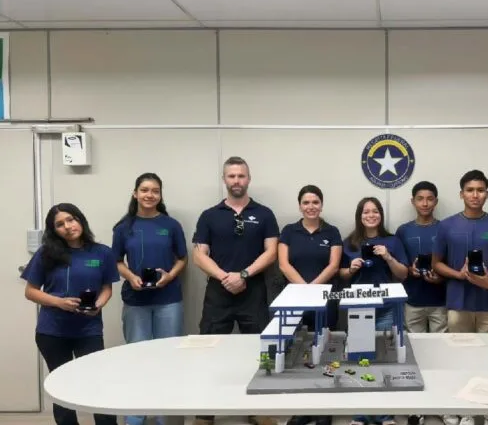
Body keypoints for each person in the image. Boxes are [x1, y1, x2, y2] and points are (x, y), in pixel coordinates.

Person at [191, 156, 280, 425]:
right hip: (218, 293)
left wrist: (243, 275)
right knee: (208, 351)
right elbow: (199, 255)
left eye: (241, 175)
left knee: (260, 351)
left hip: (253, 291)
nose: (236, 180)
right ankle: (205, 413)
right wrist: (224, 277)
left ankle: (259, 410)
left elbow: (271, 252)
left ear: (248, 179)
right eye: (232, 176)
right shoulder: (209, 216)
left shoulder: (264, 214)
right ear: (224, 179)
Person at [20, 203, 119, 425]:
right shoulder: (46, 253)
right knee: (61, 387)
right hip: (52, 331)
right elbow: (30, 291)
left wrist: (99, 304)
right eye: (59, 224)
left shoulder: (102, 252)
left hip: (89, 330)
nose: (67, 226)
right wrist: (59, 302)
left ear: (80, 220)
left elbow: (107, 288)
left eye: (71, 219)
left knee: (98, 383)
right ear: (54, 230)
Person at [433, 170, 488, 425]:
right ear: (461, 194)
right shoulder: (446, 226)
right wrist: (459, 274)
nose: (475, 195)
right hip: (458, 303)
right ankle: (465, 412)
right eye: (470, 190)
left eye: (480, 190)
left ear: (487, 194)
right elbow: (436, 263)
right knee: (460, 360)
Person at [111, 173, 188, 425]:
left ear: (160, 195)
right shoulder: (123, 228)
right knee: (138, 358)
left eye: (155, 190)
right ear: (135, 193)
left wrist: (170, 276)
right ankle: (136, 414)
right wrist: (131, 277)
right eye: (144, 190)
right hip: (136, 301)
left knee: (169, 357)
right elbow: (116, 261)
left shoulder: (171, 225)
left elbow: (183, 259)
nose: (149, 195)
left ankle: (167, 414)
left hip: (168, 299)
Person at [340, 196, 408, 425]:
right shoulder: (350, 242)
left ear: (381, 214)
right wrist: (351, 268)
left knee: (383, 359)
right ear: (360, 216)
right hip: (358, 307)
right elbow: (341, 275)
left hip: (386, 307)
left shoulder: (393, 241)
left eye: (375, 211)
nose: (371, 215)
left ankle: (384, 414)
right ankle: (360, 414)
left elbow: (403, 274)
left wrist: (387, 256)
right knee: (359, 359)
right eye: (366, 212)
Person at [278, 185, 342, 425]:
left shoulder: (332, 232)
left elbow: (333, 266)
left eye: (315, 202)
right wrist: (305, 290)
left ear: (321, 205)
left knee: (325, 352)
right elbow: (284, 265)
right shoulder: (289, 231)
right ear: (300, 206)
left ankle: (324, 409)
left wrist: (313, 288)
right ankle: (301, 408)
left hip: (326, 302)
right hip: (295, 301)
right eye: (306, 202)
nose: (311, 207)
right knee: (298, 354)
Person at [395, 181, 446, 425]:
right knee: (414, 355)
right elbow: (399, 265)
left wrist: (441, 276)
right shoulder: (403, 231)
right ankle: (416, 406)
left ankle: (441, 404)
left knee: (441, 355)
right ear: (413, 201)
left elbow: (450, 262)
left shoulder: (445, 228)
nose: (425, 203)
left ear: (436, 201)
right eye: (420, 198)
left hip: (440, 301)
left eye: (430, 198)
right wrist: (410, 270)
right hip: (413, 300)